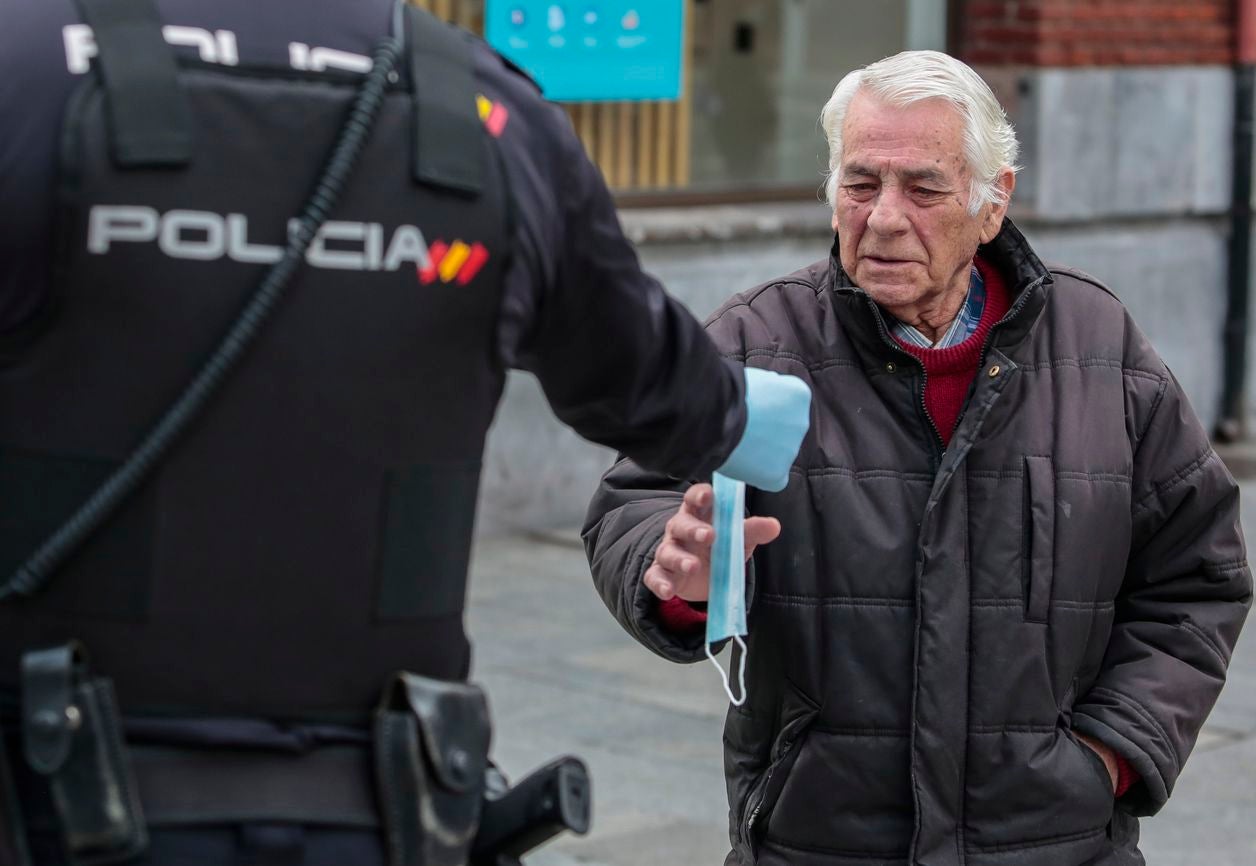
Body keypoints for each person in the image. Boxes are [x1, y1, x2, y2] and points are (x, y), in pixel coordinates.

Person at [0, 1, 808, 864]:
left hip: (53, 787)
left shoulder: (28, 67)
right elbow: (666, 393)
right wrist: (768, 415)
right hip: (374, 801)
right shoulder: (487, 112)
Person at [584, 50, 1252, 866]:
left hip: (1053, 842)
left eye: (924, 188)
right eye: (861, 185)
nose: (886, 217)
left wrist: (1110, 756)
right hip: (819, 840)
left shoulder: (1099, 349)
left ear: (991, 202)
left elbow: (1196, 575)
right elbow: (635, 498)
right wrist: (674, 569)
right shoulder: (756, 340)